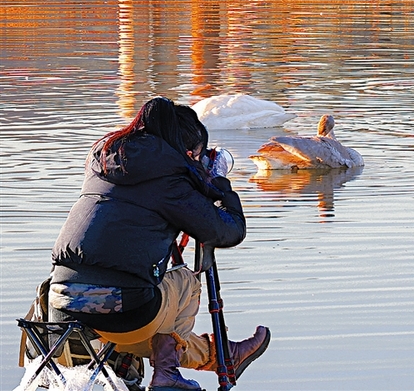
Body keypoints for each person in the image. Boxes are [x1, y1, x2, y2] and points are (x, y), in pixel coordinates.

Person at [47, 97, 270, 391]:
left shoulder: (101, 162)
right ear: (188, 152)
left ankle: (217, 355)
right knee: (185, 282)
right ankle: (169, 370)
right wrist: (220, 186)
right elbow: (228, 232)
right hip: (124, 313)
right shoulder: (172, 180)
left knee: (138, 287)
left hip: (60, 308)